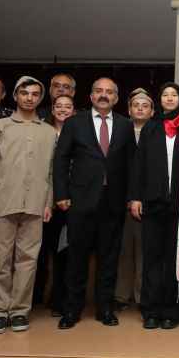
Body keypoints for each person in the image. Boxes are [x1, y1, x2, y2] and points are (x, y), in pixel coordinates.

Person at [54, 77, 136, 330]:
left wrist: (131, 196)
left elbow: (132, 165)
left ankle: (105, 309)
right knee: (76, 259)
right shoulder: (74, 123)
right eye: (99, 91)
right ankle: (72, 310)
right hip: (79, 202)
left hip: (113, 204)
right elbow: (60, 160)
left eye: (109, 92)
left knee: (109, 260)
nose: (104, 95)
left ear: (116, 98)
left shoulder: (125, 125)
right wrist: (61, 194)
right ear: (90, 96)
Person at [0, 76, 56, 334]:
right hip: (3, 203)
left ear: (40, 98)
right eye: (24, 93)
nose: (29, 98)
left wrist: (48, 203)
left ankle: (20, 311)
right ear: (14, 95)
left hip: (35, 204)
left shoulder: (47, 131)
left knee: (28, 260)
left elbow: (51, 172)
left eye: (35, 94)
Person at [129, 83, 179, 330]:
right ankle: (150, 310)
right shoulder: (150, 129)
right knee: (152, 258)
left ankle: (171, 311)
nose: (169, 98)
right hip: (153, 203)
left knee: (173, 260)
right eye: (165, 95)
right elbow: (138, 166)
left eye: (173, 95)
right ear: (160, 100)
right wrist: (135, 197)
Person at [114, 88, 154, 312]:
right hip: (119, 199)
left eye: (145, 105)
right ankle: (120, 295)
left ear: (152, 111)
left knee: (143, 251)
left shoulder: (157, 133)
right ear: (129, 110)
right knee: (122, 249)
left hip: (145, 200)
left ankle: (141, 296)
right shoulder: (119, 131)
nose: (140, 108)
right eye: (136, 105)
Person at [41, 95, 75, 317]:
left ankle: (60, 298)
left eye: (68, 107)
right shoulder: (43, 132)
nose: (63, 110)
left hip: (69, 201)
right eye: (58, 106)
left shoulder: (78, 131)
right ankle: (36, 297)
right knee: (45, 252)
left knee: (65, 251)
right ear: (52, 109)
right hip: (44, 200)